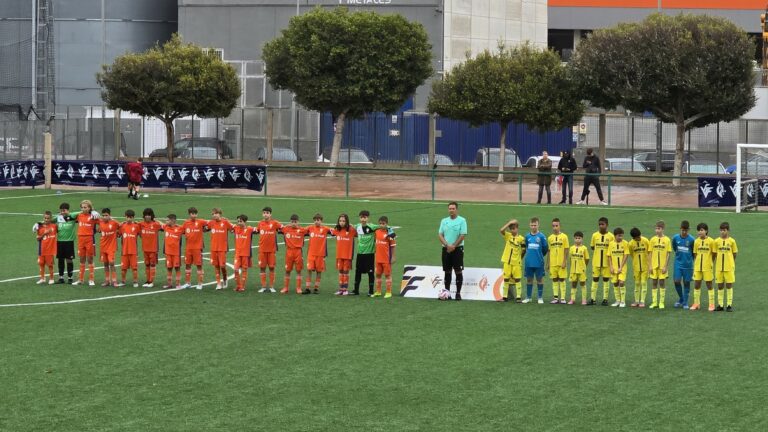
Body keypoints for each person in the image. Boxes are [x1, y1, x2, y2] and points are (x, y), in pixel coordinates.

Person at [438, 202, 467, 300]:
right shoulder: (444, 221)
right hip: (446, 249)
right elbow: (440, 234)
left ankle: (458, 294)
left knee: (458, 271)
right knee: (447, 271)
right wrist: (447, 245)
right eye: (450, 208)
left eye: (453, 208)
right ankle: (447, 293)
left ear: (457, 209)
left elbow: (462, 235)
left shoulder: (462, 220)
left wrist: (454, 246)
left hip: (458, 249)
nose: (451, 210)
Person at [522, 217, 548, 304]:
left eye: (535, 225)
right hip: (529, 262)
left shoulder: (542, 236)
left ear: (538, 225)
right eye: (532, 225)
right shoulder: (527, 236)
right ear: (529, 225)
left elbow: (545, 249)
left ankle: (540, 297)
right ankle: (528, 297)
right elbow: (526, 247)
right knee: (529, 279)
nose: (533, 227)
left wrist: (539, 256)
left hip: (539, 262)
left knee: (539, 279)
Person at [256, 207, 282, 293]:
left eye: (267, 213)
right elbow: (256, 231)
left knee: (271, 267)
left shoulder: (275, 223)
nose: (265, 214)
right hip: (262, 250)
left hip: (271, 250)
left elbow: (283, 228)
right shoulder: (260, 223)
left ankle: (271, 286)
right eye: (264, 213)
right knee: (262, 268)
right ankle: (263, 286)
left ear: (270, 214)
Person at [305, 213, 333, 294]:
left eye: (318, 220)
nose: (316, 222)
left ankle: (316, 288)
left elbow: (334, 231)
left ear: (321, 221)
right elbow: (301, 230)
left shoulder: (325, 229)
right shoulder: (310, 228)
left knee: (319, 271)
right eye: (315, 220)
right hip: (311, 254)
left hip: (320, 254)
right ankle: (307, 288)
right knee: (309, 270)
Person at [73, 200, 99, 286]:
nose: (83, 209)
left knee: (90, 259)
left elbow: (102, 223)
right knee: (81, 259)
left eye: (85, 207)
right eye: (82, 207)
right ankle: (81, 279)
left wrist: (99, 229)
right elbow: (69, 216)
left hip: (89, 239)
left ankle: (91, 279)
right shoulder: (79, 216)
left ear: (89, 208)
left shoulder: (93, 216)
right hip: (80, 239)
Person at [280, 214, 308, 294]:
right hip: (289, 252)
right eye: (292, 222)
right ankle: (285, 288)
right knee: (287, 270)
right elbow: (280, 228)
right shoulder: (286, 229)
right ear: (290, 222)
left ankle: (298, 288)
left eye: (295, 222)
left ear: (298, 222)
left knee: (298, 270)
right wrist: (287, 225)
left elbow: (310, 230)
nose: (293, 223)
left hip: (298, 252)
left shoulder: (302, 230)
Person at [589, 217, 614, 305]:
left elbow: (612, 249)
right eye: (599, 224)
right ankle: (593, 299)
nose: (601, 226)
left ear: (607, 225)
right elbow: (592, 247)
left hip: (606, 263)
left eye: (602, 224)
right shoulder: (594, 235)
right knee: (595, 279)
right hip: (596, 262)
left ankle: (605, 299)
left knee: (606, 279)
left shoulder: (611, 236)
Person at [207, 208, 234, 290]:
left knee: (222, 266)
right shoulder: (211, 223)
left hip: (222, 248)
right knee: (216, 266)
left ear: (220, 214)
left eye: (216, 213)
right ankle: (218, 283)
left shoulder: (225, 222)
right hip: (213, 248)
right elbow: (205, 228)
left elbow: (232, 229)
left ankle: (225, 279)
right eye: (213, 214)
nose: (214, 215)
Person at [499, 219, 525, 302]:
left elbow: (524, 249)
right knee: (506, 279)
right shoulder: (508, 236)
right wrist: (509, 223)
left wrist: (520, 258)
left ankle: (518, 297)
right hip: (507, 261)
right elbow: (501, 230)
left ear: (517, 228)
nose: (513, 230)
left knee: (517, 279)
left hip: (516, 263)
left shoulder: (521, 239)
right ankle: (505, 297)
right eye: (511, 229)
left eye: (514, 228)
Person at [714, 222, 737, 312]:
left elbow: (734, 253)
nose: (722, 232)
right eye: (721, 230)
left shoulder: (732, 241)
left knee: (729, 285)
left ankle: (729, 305)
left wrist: (730, 262)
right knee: (720, 285)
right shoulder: (716, 241)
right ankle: (720, 305)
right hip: (719, 267)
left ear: (728, 230)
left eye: (724, 230)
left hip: (729, 267)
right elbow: (715, 253)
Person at [691, 223, 715, 311]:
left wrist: (710, 263)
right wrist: (697, 263)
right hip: (698, 267)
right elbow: (695, 254)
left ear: (706, 231)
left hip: (707, 267)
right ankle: (696, 303)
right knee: (697, 284)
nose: (700, 232)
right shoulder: (696, 241)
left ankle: (712, 304)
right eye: (698, 230)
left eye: (701, 230)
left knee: (709, 284)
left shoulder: (711, 241)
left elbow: (714, 254)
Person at [181, 207, 207, 290]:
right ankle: (188, 283)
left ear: (197, 214)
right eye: (192, 213)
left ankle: (200, 283)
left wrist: (206, 228)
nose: (194, 215)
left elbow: (210, 224)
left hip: (197, 248)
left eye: (195, 213)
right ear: (189, 214)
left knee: (199, 265)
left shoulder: (201, 222)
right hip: (188, 248)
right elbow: (181, 231)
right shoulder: (186, 223)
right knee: (187, 265)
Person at [649, 220, 672, 309]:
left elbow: (668, 254)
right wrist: (650, 266)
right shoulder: (652, 239)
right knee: (654, 283)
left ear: (663, 229)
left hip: (662, 266)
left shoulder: (667, 240)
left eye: (658, 228)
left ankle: (661, 302)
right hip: (654, 266)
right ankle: (654, 302)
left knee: (662, 283)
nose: (657, 230)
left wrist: (665, 266)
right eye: (656, 228)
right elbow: (650, 253)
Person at [671, 220, 695, 309]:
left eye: (686, 230)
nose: (684, 232)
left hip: (688, 265)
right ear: (680, 229)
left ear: (688, 230)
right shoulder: (675, 238)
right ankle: (681, 298)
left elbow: (694, 252)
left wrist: (691, 261)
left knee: (686, 283)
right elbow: (674, 247)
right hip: (678, 263)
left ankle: (685, 302)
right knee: (676, 281)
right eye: (682, 230)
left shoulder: (692, 239)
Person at [353, 210, 376, 296]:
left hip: (369, 254)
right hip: (360, 254)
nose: (363, 219)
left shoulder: (372, 226)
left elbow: (384, 227)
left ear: (368, 218)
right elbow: (349, 227)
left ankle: (371, 291)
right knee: (357, 272)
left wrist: (391, 232)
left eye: (365, 217)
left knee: (370, 273)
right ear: (359, 218)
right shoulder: (357, 226)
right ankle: (356, 290)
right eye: (361, 217)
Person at [333, 214, 357, 296]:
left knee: (346, 272)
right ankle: (341, 289)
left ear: (347, 221)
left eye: (343, 221)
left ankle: (345, 289)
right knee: (340, 271)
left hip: (347, 255)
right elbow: (330, 231)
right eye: (340, 221)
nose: (341, 222)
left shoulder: (351, 230)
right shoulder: (337, 229)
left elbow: (358, 233)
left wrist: (353, 226)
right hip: (339, 255)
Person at [373, 216, 397, 299]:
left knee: (387, 275)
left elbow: (393, 246)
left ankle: (388, 292)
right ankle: (378, 291)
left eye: (383, 224)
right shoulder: (376, 232)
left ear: (387, 224)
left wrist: (393, 257)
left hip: (386, 259)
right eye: (380, 223)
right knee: (378, 274)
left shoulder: (390, 234)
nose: (381, 225)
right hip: (378, 258)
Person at [547, 218, 569, 304]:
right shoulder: (550, 238)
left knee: (562, 279)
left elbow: (566, 250)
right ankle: (556, 298)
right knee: (554, 279)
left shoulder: (564, 237)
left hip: (561, 263)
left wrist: (564, 261)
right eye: (553, 226)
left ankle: (563, 298)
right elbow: (549, 251)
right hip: (553, 263)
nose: (555, 227)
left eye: (556, 226)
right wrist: (548, 263)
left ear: (560, 226)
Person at [139, 208, 163, 288]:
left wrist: (156, 220)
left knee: (152, 264)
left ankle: (151, 281)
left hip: (153, 249)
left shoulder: (156, 224)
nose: (147, 216)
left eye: (149, 215)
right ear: (144, 216)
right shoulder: (141, 224)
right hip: (145, 248)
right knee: (147, 264)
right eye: (146, 215)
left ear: (151, 216)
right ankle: (147, 280)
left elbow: (164, 226)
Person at [232, 214, 256, 292]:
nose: (239, 223)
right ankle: (238, 286)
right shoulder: (235, 228)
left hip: (245, 254)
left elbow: (257, 229)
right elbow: (229, 225)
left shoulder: (249, 229)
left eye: (241, 221)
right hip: (237, 253)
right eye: (238, 221)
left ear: (245, 222)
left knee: (244, 270)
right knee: (235, 269)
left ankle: (242, 286)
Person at [97, 208, 120, 287]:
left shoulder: (114, 223)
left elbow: (121, 227)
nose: (104, 217)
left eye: (106, 215)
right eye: (103, 215)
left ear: (110, 215)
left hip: (111, 247)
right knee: (105, 264)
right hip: (103, 246)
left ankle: (114, 280)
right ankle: (107, 280)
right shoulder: (100, 222)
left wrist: (118, 233)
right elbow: (98, 229)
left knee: (112, 263)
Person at [55, 202, 77, 284]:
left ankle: (70, 277)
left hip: (69, 242)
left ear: (68, 210)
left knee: (69, 260)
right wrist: (39, 223)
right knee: (60, 260)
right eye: (61, 211)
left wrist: (92, 211)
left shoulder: (72, 216)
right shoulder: (58, 218)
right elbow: (49, 219)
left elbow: (80, 213)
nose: (62, 212)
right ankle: (61, 278)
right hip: (60, 242)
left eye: (64, 210)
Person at [628, 228, 650, 308]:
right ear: (634, 238)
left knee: (644, 283)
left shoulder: (646, 241)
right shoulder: (630, 244)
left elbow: (649, 252)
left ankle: (642, 301)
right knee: (637, 283)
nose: (639, 238)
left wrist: (649, 264)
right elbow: (631, 254)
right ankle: (636, 300)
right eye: (637, 237)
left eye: (640, 236)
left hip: (645, 266)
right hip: (636, 266)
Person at [608, 227, 630, 307]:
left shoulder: (625, 243)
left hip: (622, 267)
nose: (621, 237)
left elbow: (626, 255)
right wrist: (610, 267)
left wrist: (621, 266)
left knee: (621, 282)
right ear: (615, 236)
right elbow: (609, 256)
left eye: (622, 236)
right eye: (619, 236)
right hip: (613, 267)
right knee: (615, 283)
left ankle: (623, 301)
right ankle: (617, 300)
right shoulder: (611, 244)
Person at [118, 209, 140, 287]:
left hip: (133, 251)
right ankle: (123, 281)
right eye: (127, 217)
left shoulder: (137, 226)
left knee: (134, 268)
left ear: (133, 217)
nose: (129, 219)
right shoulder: (122, 226)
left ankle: (135, 281)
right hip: (124, 251)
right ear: (125, 217)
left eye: (131, 217)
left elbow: (141, 234)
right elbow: (118, 234)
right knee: (123, 268)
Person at [162, 214, 185, 289]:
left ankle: (178, 284)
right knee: (169, 268)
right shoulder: (166, 227)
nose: (166, 221)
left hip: (176, 253)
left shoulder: (180, 228)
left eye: (167, 220)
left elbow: (188, 229)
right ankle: (169, 284)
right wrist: (154, 219)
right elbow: (160, 224)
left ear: (173, 220)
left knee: (177, 267)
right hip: (168, 252)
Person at [35, 211, 58, 285]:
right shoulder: (40, 227)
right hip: (41, 249)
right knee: (41, 263)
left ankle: (51, 278)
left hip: (50, 250)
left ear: (51, 218)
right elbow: (38, 239)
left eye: (48, 218)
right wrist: (44, 234)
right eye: (45, 218)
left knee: (50, 265)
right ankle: (42, 278)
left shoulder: (54, 226)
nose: (46, 219)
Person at [568, 231, 589, 305]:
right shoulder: (571, 248)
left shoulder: (584, 248)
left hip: (581, 269)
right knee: (573, 283)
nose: (577, 240)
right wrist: (571, 267)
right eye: (576, 238)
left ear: (582, 239)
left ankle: (584, 299)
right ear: (574, 239)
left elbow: (587, 259)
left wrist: (584, 266)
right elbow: (570, 258)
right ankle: (572, 299)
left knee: (582, 283)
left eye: (579, 238)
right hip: (573, 270)